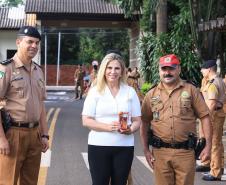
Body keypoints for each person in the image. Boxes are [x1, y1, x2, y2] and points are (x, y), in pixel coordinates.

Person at [140, 54, 212, 185]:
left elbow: (205, 117)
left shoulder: (191, 90)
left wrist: (208, 146)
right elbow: (144, 122)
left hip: (185, 153)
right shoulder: (151, 94)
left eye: (171, 68)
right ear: (159, 70)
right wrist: (145, 150)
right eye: (164, 69)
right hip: (160, 154)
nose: (167, 72)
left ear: (179, 69)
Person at [82, 52, 141, 185]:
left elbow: (137, 120)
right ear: (103, 70)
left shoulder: (130, 92)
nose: (112, 72)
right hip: (98, 146)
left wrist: (130, 129)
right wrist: (107, 127)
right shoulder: (95, 91)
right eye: (109, 68)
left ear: (122, 71)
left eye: (117, 68)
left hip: (124, 146)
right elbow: (86, 120)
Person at [0, 26, 49, 185]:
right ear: (18, 42)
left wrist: (44, 134)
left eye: (37, 43)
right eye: (29, 42)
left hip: (34, 134)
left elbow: (41, 104)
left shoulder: (38, 71)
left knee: (30, 181)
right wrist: (1, 139)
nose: (34, 46)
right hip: (13, 134)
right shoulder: (5, 68)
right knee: (8, 180)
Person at [197, 59, 225, 181]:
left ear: (209, 69)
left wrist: (205, 119)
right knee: (216, 143)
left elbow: (211, 104)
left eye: (203, 69)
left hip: (213, 115)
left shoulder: (213, 83)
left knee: (214, 144)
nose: (201, 71)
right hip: (218, 114)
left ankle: (215, 172)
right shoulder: (218, 80)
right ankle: (212, 164)